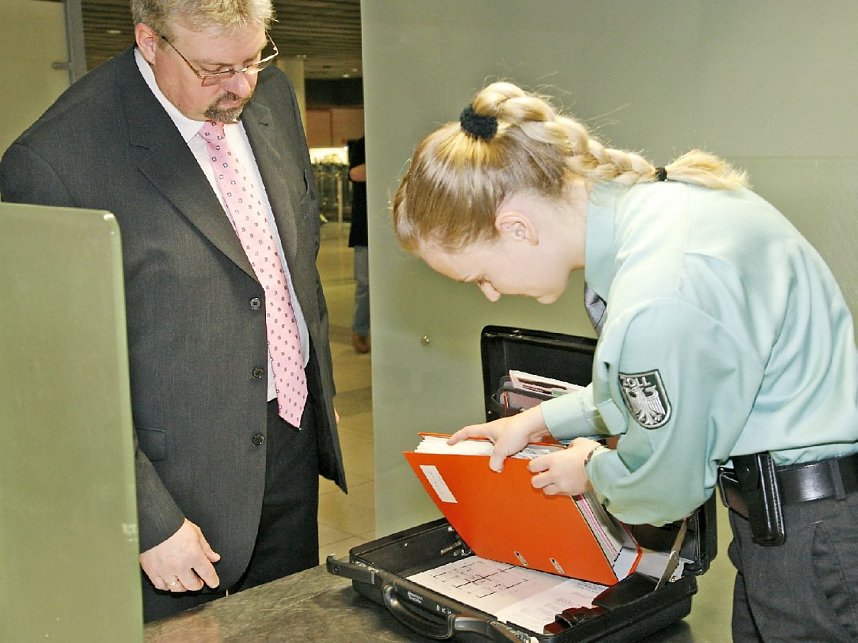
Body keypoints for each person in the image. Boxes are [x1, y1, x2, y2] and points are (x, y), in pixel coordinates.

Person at [392, 81, 858, 641]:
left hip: (814, 539)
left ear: (516, 227)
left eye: (481, 277)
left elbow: (665, 489)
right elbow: (670, 387)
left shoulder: (659, 293)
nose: (490, 294)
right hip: (799, 519)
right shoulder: (663, 211)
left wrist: (587, 471)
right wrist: (536, 421)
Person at [0, 0, 346, 622]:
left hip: (287, 437)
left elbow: (294, 256)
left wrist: (313, 383)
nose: (241, 87)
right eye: (215, 70)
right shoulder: (57, 162)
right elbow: (54, 378)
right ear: (149, 40)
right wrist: (148, 520)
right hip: (176, 478)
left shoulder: (268, 99)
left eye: (253, 59)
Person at [347, 136, 370, 353]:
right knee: (364, 284)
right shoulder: (362, 144)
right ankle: (360, 331)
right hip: (364, 230)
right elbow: (354, 174)